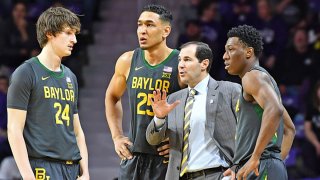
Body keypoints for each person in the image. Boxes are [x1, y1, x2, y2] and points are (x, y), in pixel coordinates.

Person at [7, 7, 89, 180]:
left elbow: (77, 131)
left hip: (71, 167)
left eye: (75, 34)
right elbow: (14, 129)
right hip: (42, 167)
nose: (74, 39)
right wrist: (28, 176)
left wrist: (85, 172)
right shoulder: (26, 73)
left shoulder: (70, 76)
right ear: (50, 33)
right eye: (68, 33)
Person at [105, 4, 183, 180]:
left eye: (149, 25)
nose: (142, 30)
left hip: (167, 159)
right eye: (140, 24)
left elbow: (200, 105)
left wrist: (183, 141)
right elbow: (112, 97)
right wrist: (117, 136)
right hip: (134, 156)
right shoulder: (127, 60)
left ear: (166, 31)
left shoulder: (180, 63)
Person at [146, 41, 241, 180]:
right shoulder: (173, 99)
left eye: (187, 60)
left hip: (217, 174)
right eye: (179, 60)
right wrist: (159, 118)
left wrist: (238, 167)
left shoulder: (229, 91)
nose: (181, 65)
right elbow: (152, 139)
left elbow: (249, 133)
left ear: (204, 63)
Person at [222, 25, 296, 180]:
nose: (225, 56)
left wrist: (256, 158)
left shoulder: (252, 76)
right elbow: (289, 129)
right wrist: (274, 163)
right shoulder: (264, 80)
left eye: (230, 49)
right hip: (265, 166)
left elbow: (275, 109)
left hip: (262, 165)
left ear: (249, 52)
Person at [303, 81, 320, 176]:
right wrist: (317, 144)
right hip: (315, 137)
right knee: (307, 148)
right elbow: (307, 129)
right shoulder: (311, 107)